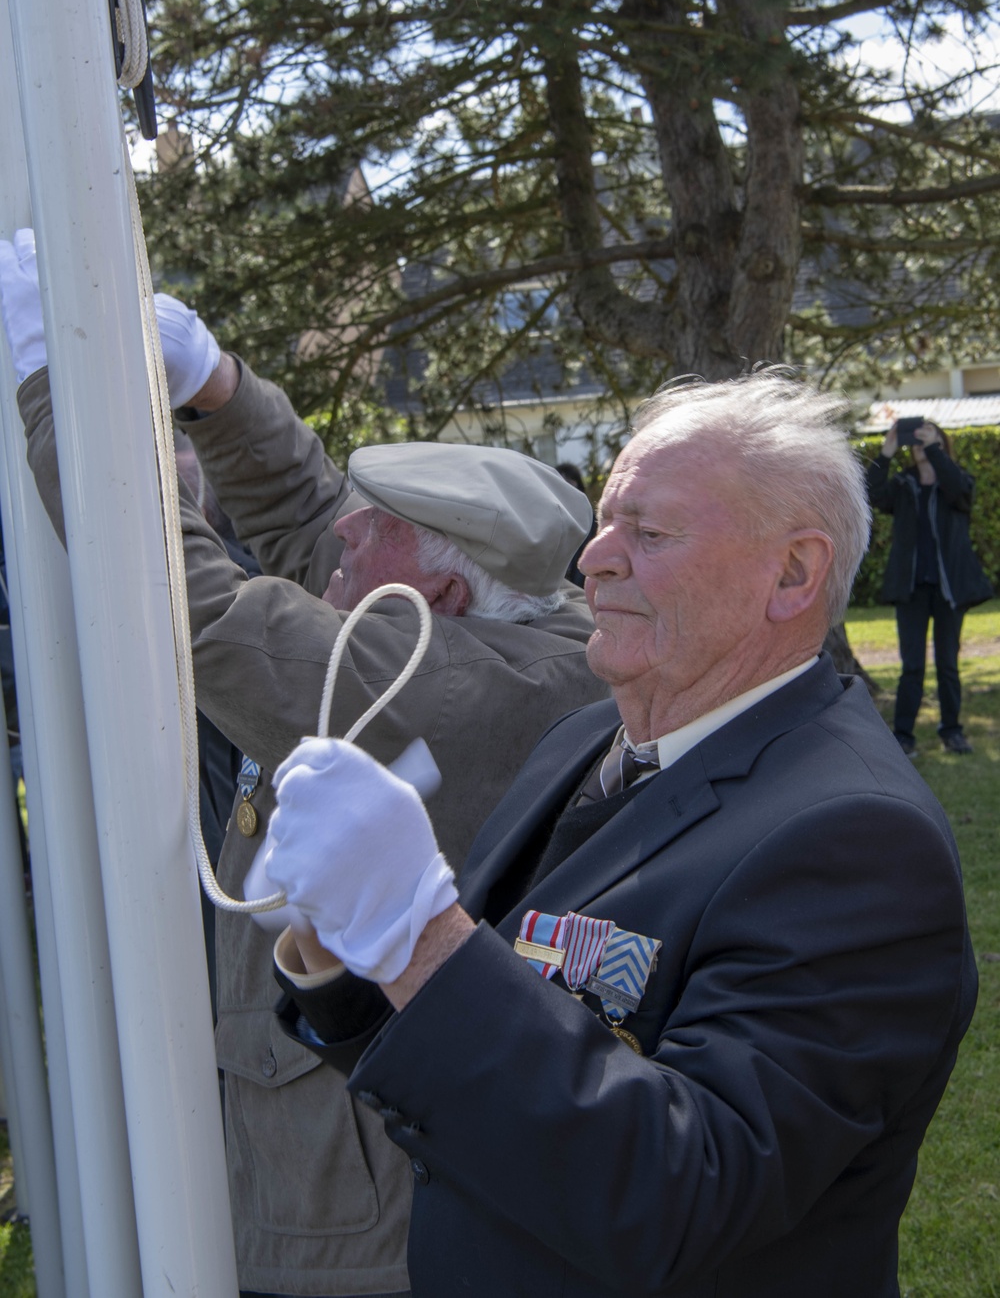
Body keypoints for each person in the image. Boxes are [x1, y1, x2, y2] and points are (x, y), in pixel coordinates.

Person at [264, 371, 978, 1298]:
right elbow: (470, 1066)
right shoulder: (587, 740)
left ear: (793, 573)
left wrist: (419, 936)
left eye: (650, 532)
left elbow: (680, 1193)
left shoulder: (858, 841)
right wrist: (344, 944)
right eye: (605, 524)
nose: (594, 559)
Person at [0, 228, 610, 1298]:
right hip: (334, 1176)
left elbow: (195, 613)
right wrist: (217, 386)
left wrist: (58, 381)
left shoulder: (461, 683)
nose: (339, 541)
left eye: (370, 533)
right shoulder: (494, 626)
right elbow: (304, 510)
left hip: (353, 1229)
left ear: (440, 598)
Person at [867, 419, 993, 757]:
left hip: (948, 588)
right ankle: (904, 737)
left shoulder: (956, 482)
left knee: (948, 663)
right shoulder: (903, 484)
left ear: (941, 443)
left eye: (929, 436)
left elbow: (960, 492)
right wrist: (887, 451)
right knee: (912, 665)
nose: (921, 443)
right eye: (917, 439)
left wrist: (935, 450)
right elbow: (870, 493)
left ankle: (952, 731)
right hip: (911, 590)